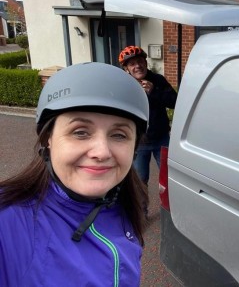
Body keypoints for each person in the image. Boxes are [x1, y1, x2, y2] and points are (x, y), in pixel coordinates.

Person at [0, 62, 150, 286]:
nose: (101, 152)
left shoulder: (124, 203)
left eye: (119, 135)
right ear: (48, 139)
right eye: (80, 132)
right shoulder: (8, 222)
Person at [119, 45, 177, 185]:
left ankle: (168, 206)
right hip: (139, 141)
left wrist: (154, 92)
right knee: (140, 180)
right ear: (126, 69)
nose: (137, 66)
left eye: (140, 62)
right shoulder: (124, 85)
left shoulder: (158, 80)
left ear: (145, 63)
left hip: (161, 138)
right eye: (132, 64)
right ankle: (141, 207)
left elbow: (175, 102)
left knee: (168, 178)